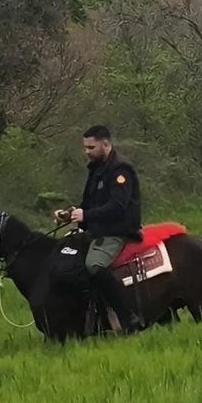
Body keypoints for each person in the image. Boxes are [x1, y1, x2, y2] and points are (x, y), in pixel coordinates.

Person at [55, 124, 147, 333]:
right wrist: (70, 214)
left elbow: (118, 206)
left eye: (91, 147)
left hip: (117, 231)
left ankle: (127, 317)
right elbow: (88, 203)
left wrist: (86, 216)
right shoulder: (96, 169)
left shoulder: (121, 170)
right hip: (97, 230)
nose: (86, 152)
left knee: (94, 266)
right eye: (85, 147)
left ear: (105, 144)